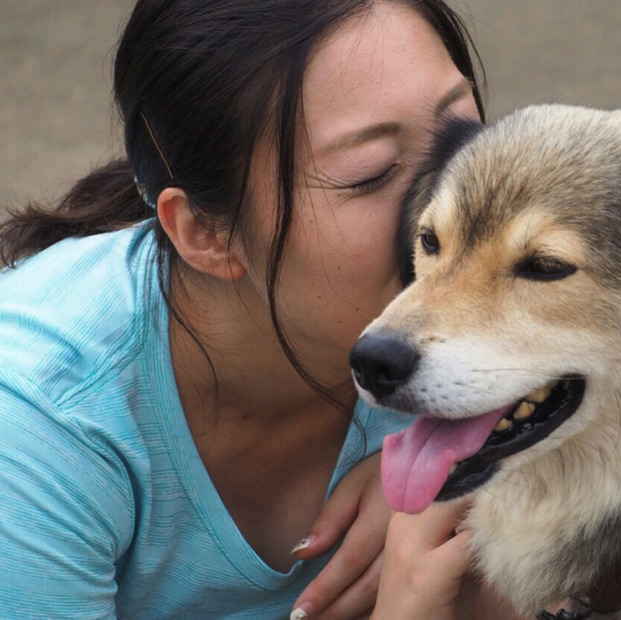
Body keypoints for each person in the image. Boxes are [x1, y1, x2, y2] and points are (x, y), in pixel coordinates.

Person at [0, 0, 536, 618]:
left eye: (463, 132)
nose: (450, 197)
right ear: (203, 232)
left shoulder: (494, 322)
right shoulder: (38, 429)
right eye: (369, 174)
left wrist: (470, 474)